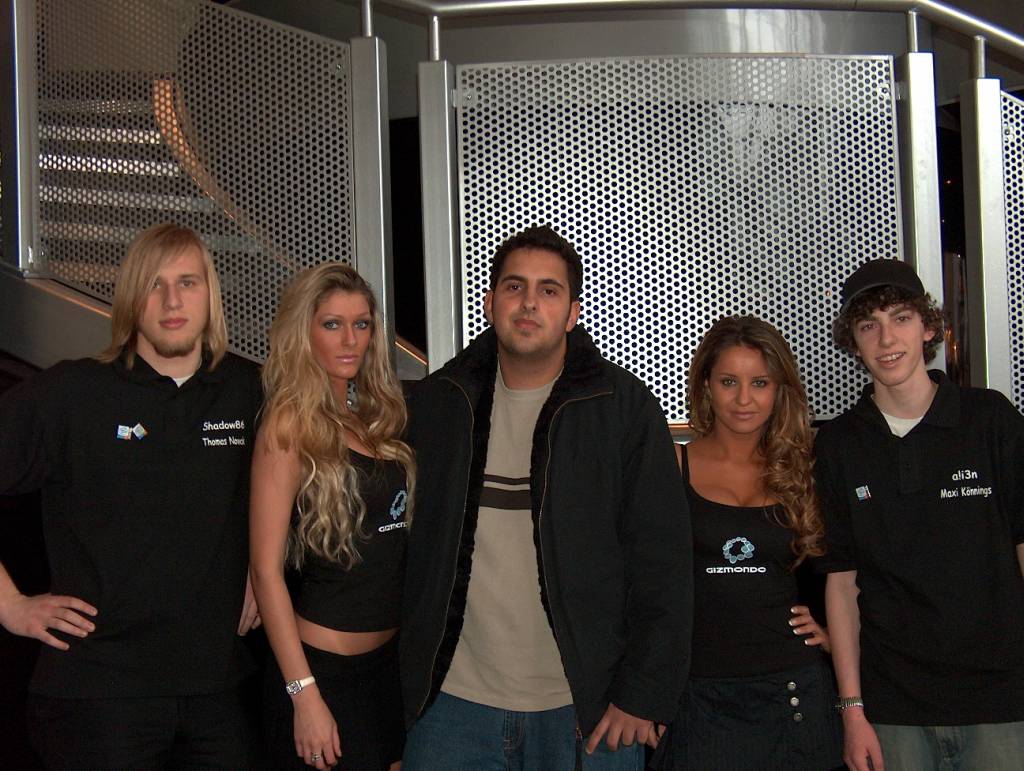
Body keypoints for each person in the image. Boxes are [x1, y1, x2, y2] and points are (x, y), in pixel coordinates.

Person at [400, 225, 692, 770]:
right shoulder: (440, 404)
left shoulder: (621, 406)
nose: (529, 302)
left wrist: (642, 693)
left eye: (549, 290)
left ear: (573, 312)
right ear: (490, 303)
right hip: (451, 708)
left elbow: (664, 560)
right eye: (515, 287)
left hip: (586, 709)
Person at [0, 223, 263, 769]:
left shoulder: (249, 390)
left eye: (187, 282)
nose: (172, 301)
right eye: (153, 284)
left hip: (217, 692)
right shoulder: (72, 393)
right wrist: (10, 606)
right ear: (129, 298)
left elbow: (298, 490)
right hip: (97, 697)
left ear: (210, 294)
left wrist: (265, 571)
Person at [816, 258, 1024, 771]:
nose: (887, 339)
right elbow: (842, 584)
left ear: (929, 328)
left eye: (901, 318)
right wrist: (851, 711)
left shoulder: (990, 419)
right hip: (892, 711)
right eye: (869, 325)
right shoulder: (839, 444)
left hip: (1001, 703)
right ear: (853, 342)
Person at [652, 316, 842, 770]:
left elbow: (853, 567)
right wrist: (647, 689)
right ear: (706, 386)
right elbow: (641, 582)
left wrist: (836, 635)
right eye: (728, 382)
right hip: (697, 697)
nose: (743, 399)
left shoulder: (806, 469)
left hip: (794, 694)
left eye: (759, 383)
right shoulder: (668, 464)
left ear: (779, 390)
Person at [250, 263, 414, 771]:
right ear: (305, 331)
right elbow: (265, 572)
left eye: (361, 324)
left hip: (384, 671)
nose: (350, 340)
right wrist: (303, 694)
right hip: (321, 673)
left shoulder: (374, 417)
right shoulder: (288, 425)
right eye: (332, 324)